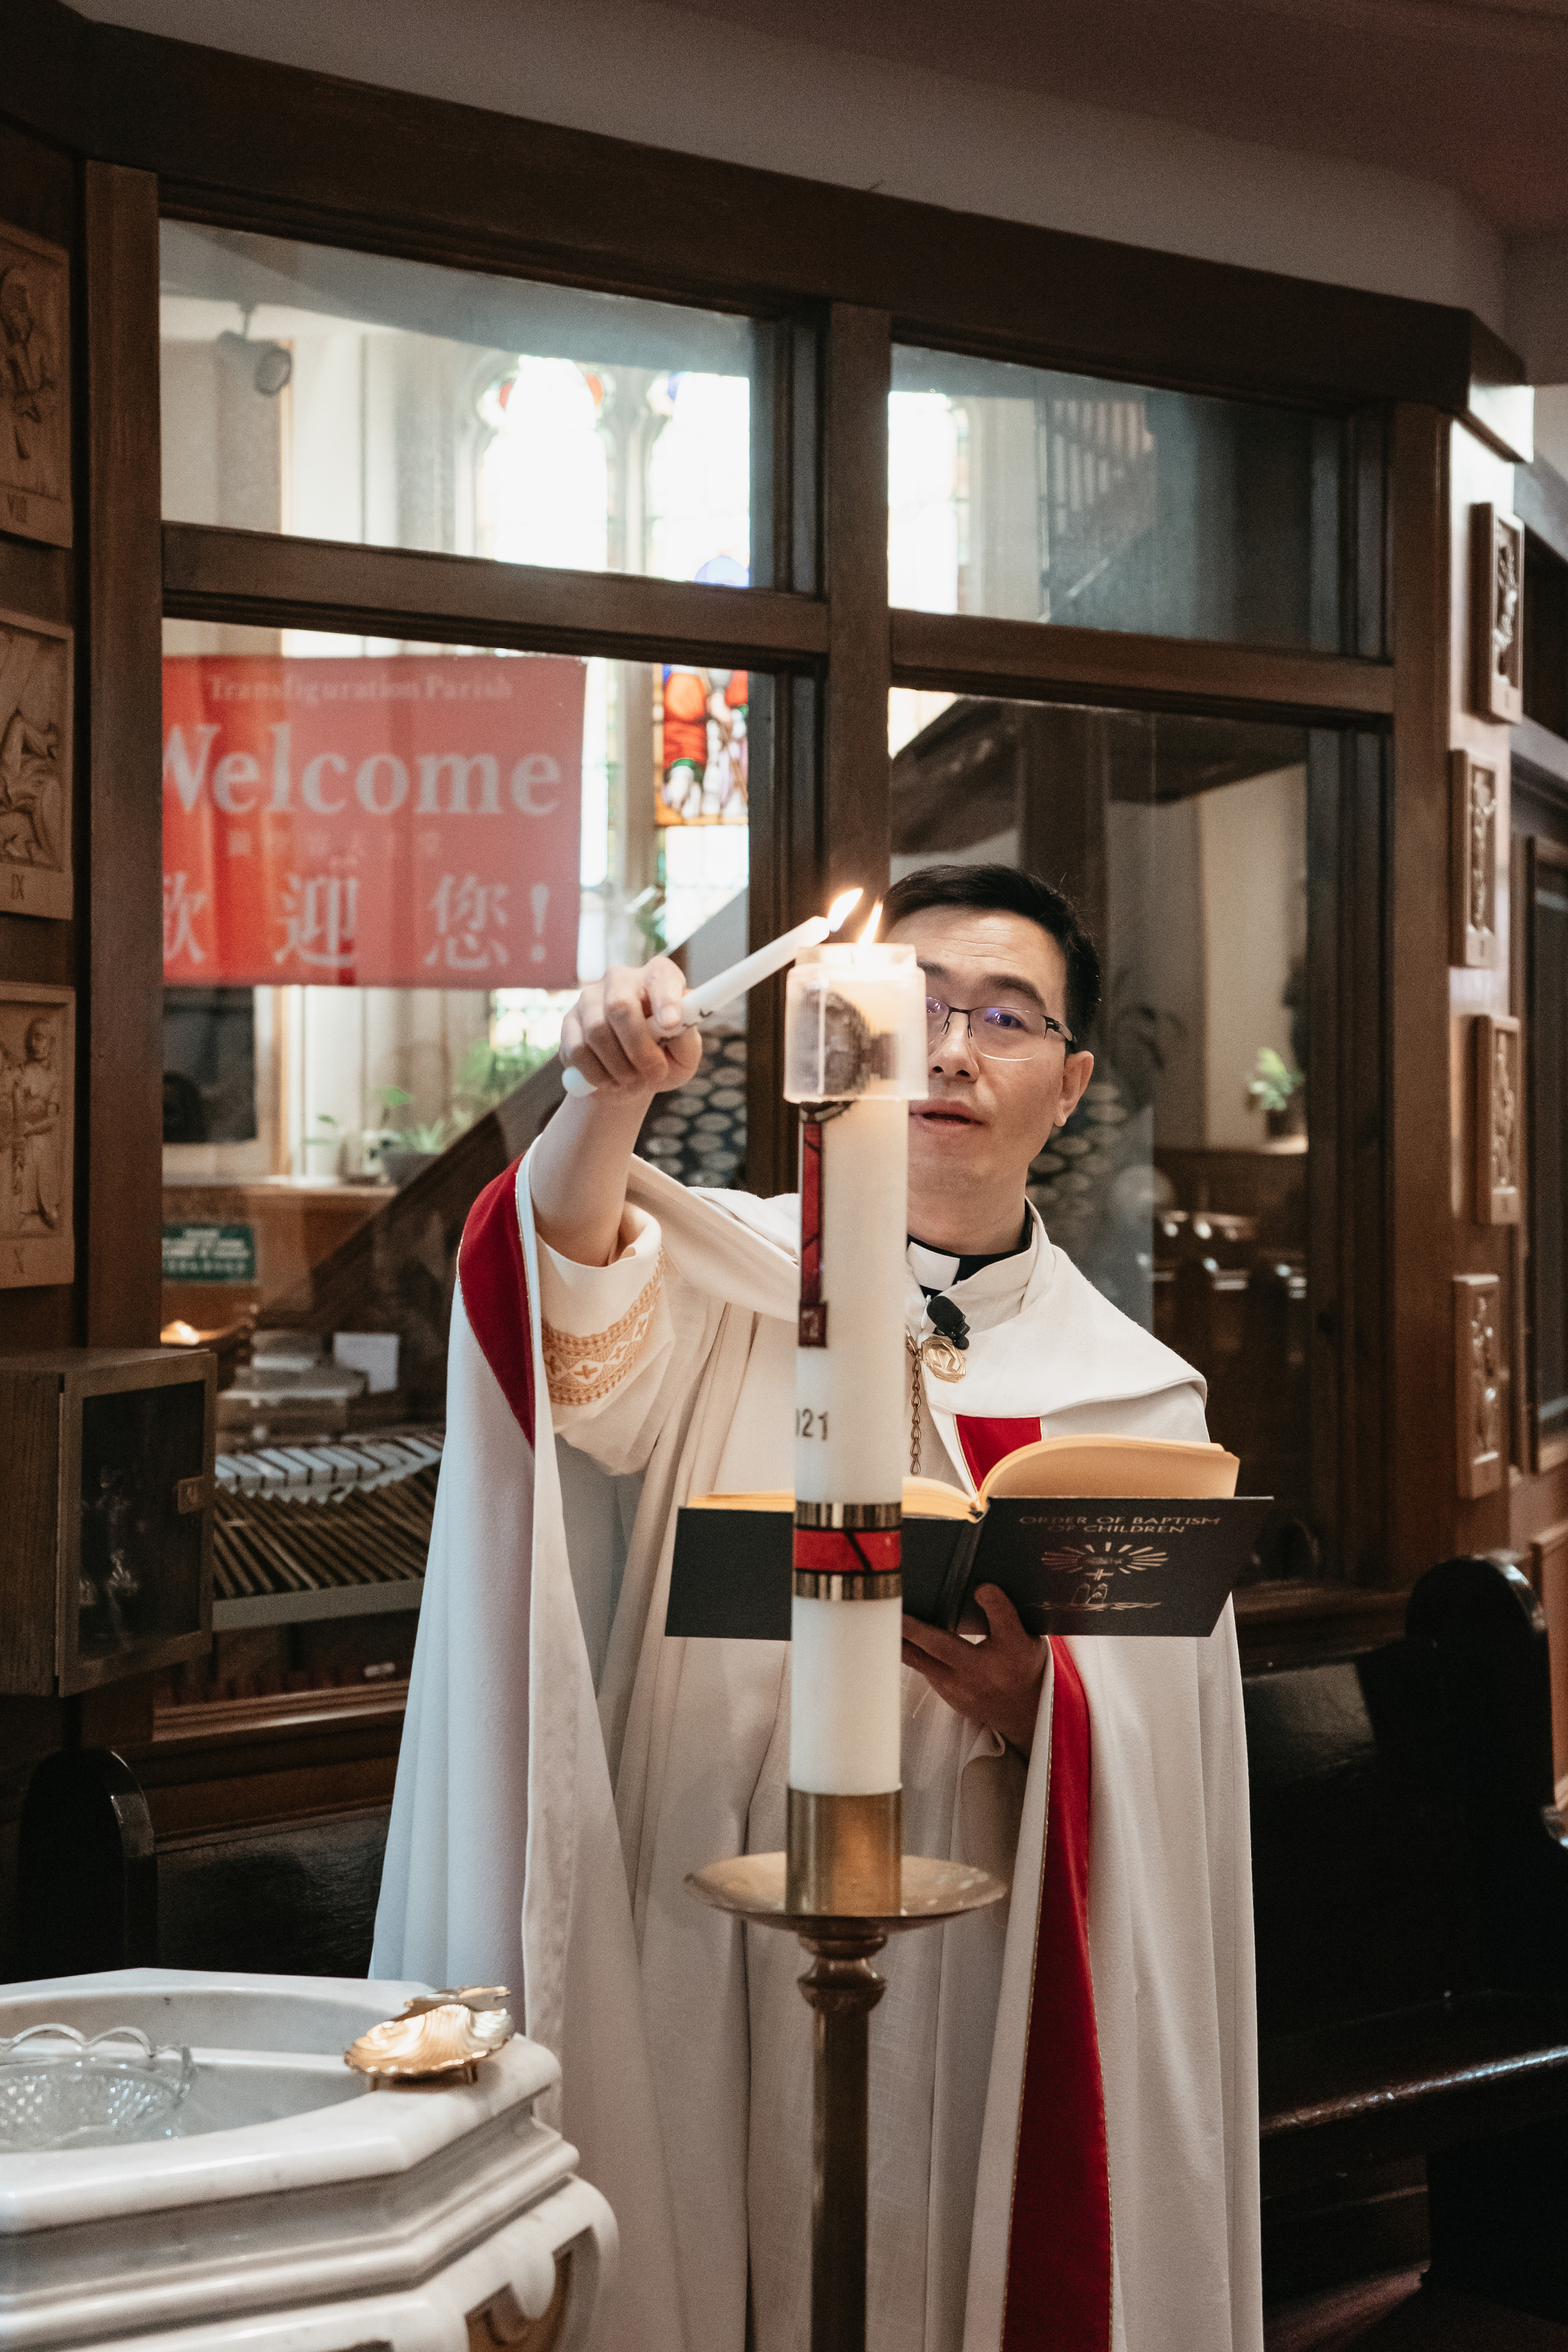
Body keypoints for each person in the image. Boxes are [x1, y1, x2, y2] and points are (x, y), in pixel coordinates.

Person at [373, 864, 1261, 2352]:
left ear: (1069, 1086)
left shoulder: (1135, 1392)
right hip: (713, 1876)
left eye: (1006, 1018)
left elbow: (1174, 1763)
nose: (953, 1051)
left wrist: (1043, 1707)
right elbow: (561, 1320)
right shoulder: (718, 1275)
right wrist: (605, 1099)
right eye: (914, 1007)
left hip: (990, 1923)